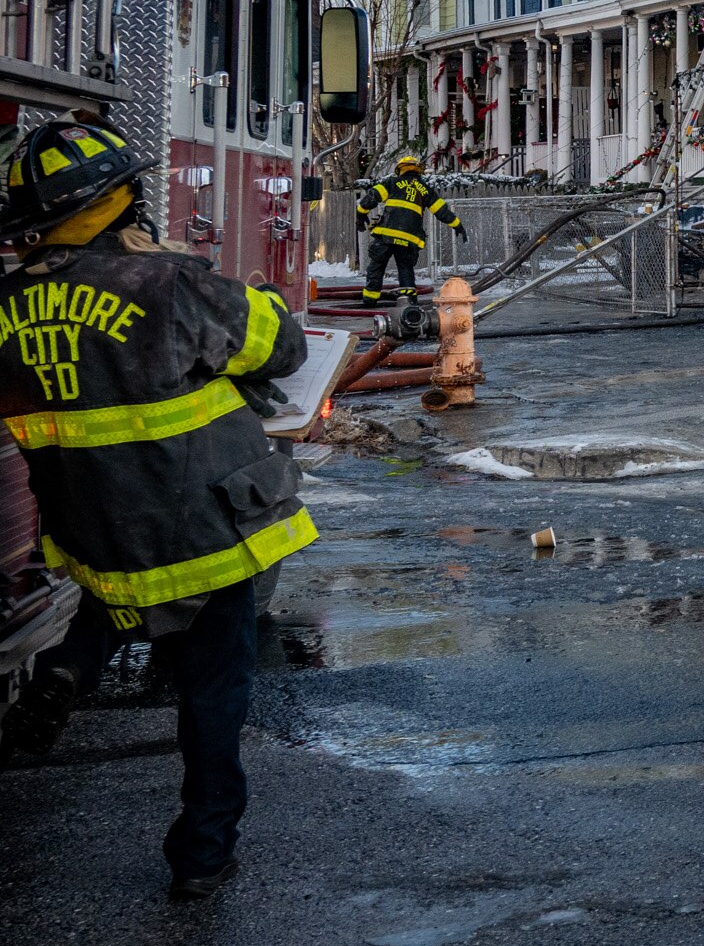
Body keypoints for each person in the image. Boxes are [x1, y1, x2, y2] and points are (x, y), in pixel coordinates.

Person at [0, 120, 312, 898]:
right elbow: (284, 349)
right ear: (119, 199)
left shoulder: (5, 308)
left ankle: (68, 668)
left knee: (114, 603)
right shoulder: (169, 283)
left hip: (94, 531)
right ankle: (202, 854)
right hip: (201, 529)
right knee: (214, 686)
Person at [355, 151, 461, 304]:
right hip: (409, 238)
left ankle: (370, 299)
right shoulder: (424, 189)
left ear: (400, 169)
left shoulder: (391, 183)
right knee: (405, 269)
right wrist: (457, 224)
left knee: (377, 266)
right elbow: (441, 210)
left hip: (386, 235)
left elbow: (370, 199)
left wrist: (360, 215)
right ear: (418, 170)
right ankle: (408, 299)